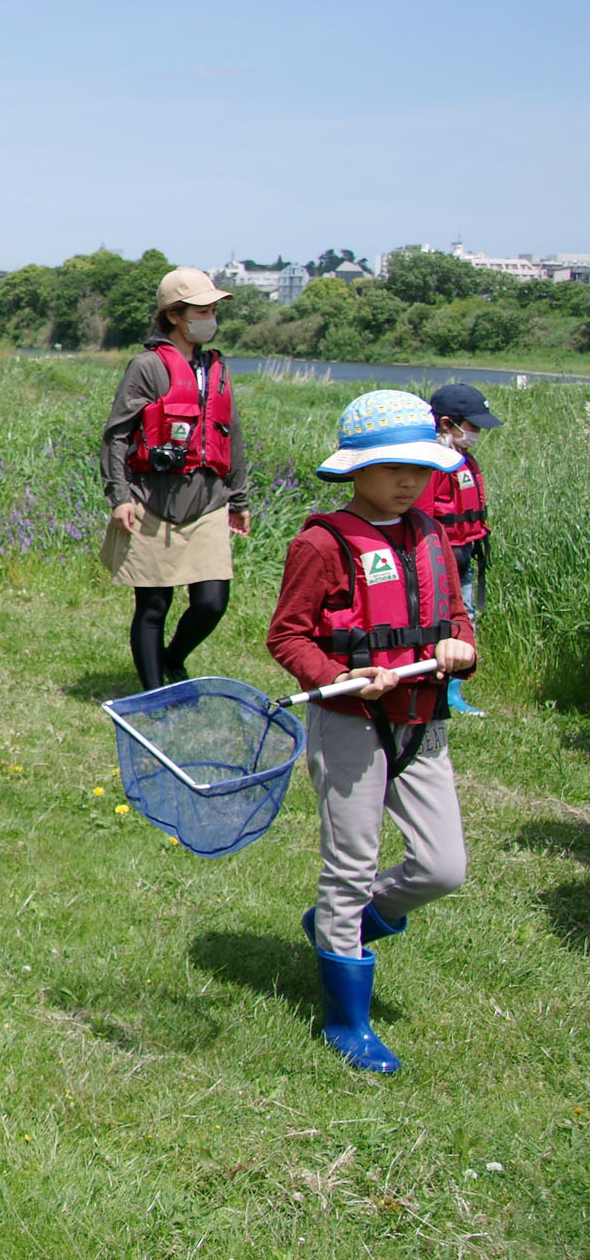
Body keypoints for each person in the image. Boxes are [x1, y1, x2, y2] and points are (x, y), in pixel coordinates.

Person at [265, 390, 476, 1075]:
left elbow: (456, 619)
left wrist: (461, 648)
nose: (409, 481)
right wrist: (340, 675)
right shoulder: (321, 543)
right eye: (391, 469)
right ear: (356, 469)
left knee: (444, 867)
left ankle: (343, 925)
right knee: (350, 866)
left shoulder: (433, 535)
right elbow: (288, 636)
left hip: (422, 723)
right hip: (352, 724)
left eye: (420, 467)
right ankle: (346, 1020)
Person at [99, 268, 250, 691]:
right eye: (202, 310)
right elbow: (117, 434)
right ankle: (153, 694)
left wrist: (239, 499)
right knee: (153, 604)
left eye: (213, 310)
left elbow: (230, 434)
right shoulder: (147, 367)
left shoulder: (216, 367)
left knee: (211, 601)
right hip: (151, 499)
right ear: (174, 316)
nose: (211, 317)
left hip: (208, 500)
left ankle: (173, 658)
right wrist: (120, 496)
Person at [423, 383, 498, 716]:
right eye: (473, 425)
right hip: (441, 558)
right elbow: (423, 515)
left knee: (465, 618)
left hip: (466, 555)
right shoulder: (435, 463)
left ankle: (454, 691)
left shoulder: (464, 460)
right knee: (438, 621)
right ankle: (432, 686)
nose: (477, 432)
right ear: (446, 423)